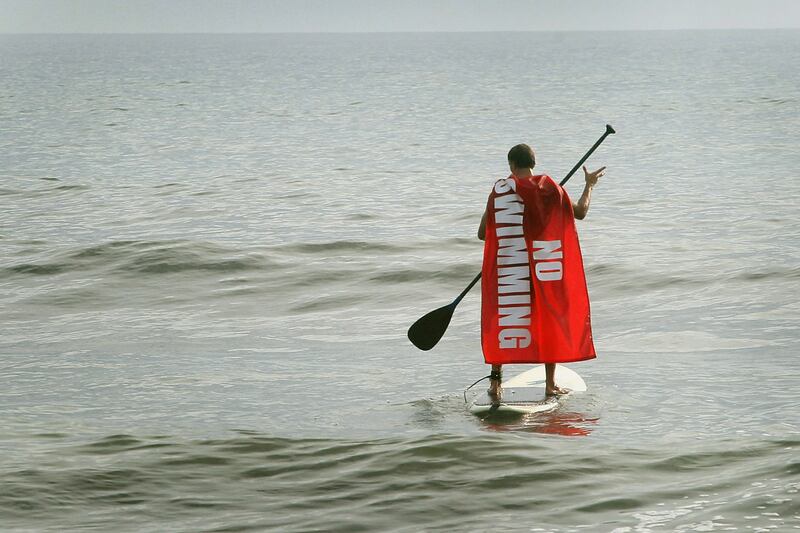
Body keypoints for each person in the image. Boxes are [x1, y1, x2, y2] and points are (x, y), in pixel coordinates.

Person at [478, 143, 605, 398]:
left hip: (510, 272)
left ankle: (495, 384)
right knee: (549, 318)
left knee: (504, 317)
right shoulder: (551, 189)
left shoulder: (501, 192)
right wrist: (589, 185)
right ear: (533, 164)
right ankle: (550, 384)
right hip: (542, 269)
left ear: (511, 165)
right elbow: (580, 213)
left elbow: (482, 234)